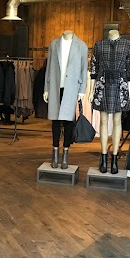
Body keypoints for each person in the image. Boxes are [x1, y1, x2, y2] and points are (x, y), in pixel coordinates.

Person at [88, 29, 130, 174]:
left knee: (117, 122)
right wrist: (91, 90)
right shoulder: (99, 45)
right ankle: (103, 158)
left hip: (120, 85)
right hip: (103, 84)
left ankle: (114, 159)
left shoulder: (127, 45)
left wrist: (128, 91)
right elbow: (94, 69)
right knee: (103, 121)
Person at [44, 30, 88, 169]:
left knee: (69, 121)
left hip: (72, 87)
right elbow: (48, 67)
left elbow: (84, 69)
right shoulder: (54, 44)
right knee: (55, 120)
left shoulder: (81, 45)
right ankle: (55, 152)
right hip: (55, 86)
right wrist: (46, 88)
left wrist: (82, 90)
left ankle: (65, 153)